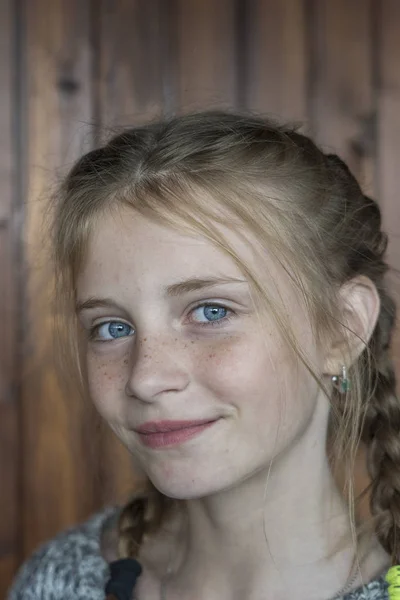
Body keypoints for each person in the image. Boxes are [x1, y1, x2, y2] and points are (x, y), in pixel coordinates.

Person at [8, 111, 400, 600]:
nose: (145, 378)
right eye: (112, 327)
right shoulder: (59, 584)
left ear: (342, 328)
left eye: (211, 311)